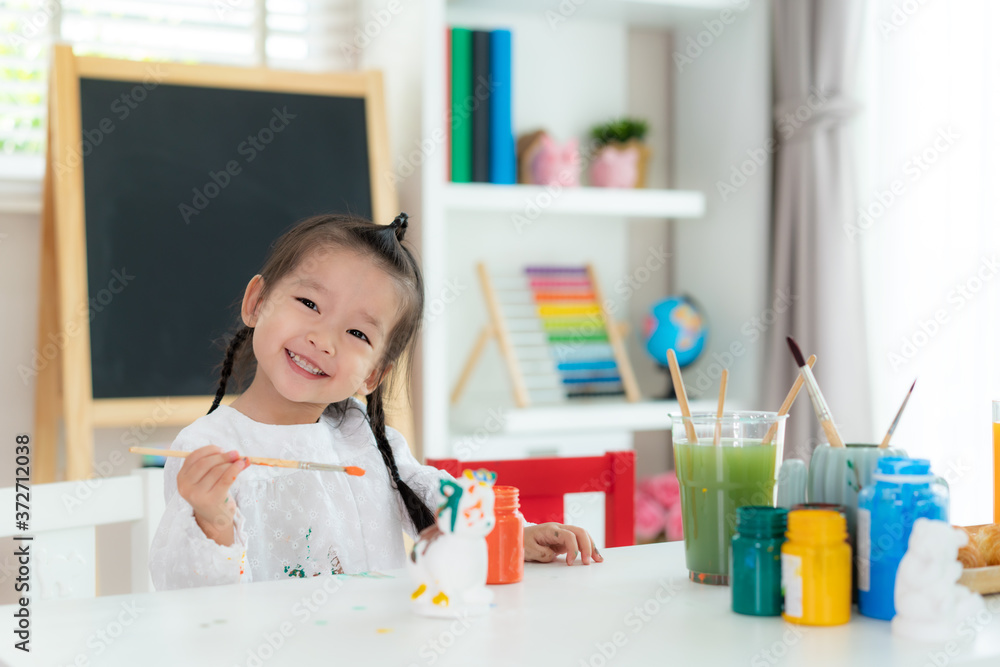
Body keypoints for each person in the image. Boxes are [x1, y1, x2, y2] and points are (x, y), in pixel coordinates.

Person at [149, 213, 603, 590]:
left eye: (357, 333)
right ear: (257, 302)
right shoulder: (206, 447)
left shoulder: (361, 434)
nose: (324, 340)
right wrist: (211, 519)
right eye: (309, 303)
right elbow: (192, 605)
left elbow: (432, 498)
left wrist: (514, 536)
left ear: (373, 374)